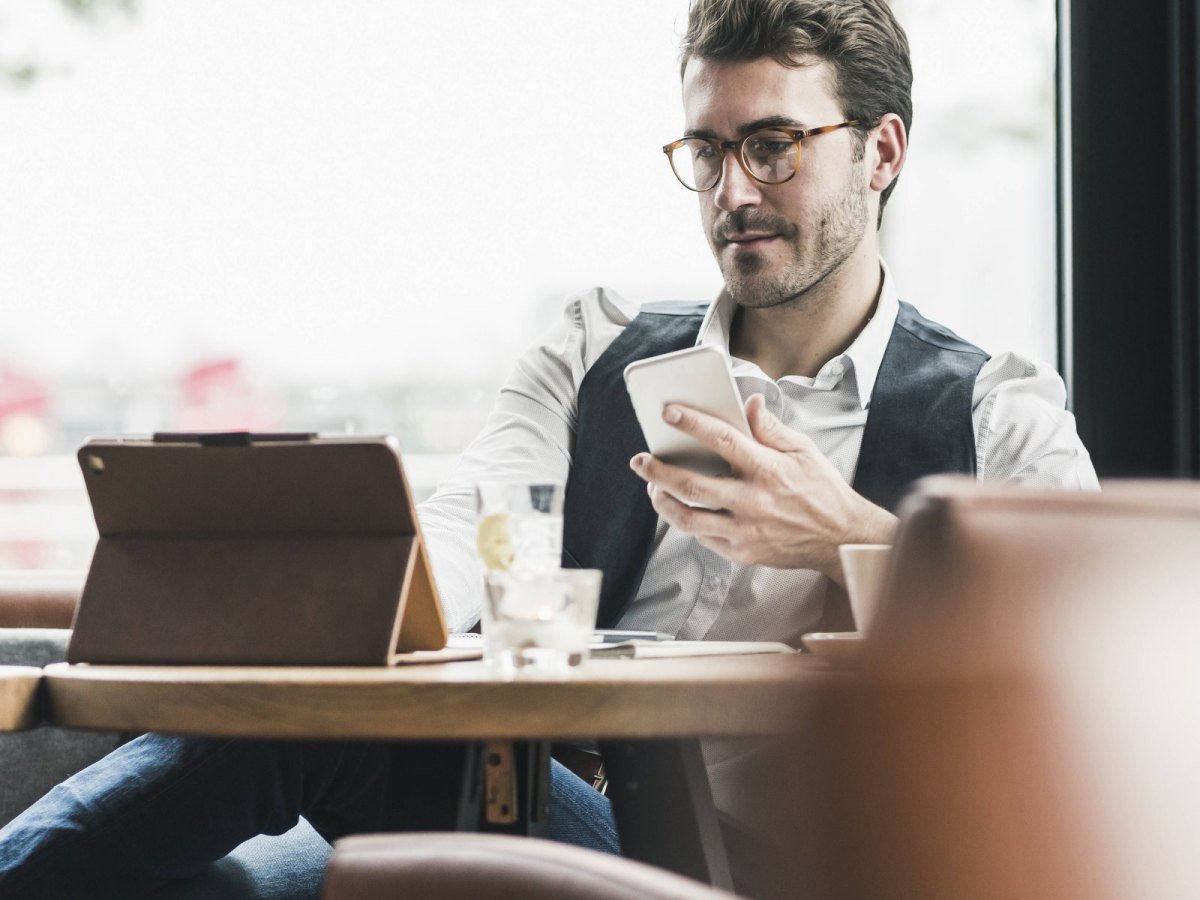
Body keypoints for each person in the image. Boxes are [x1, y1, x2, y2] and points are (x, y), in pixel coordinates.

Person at [0, 1, 1097, 897]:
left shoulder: (998, 413)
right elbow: (481, 522)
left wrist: (848, 539)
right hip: (575, 819)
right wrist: (356, 590)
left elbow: (1101, 653)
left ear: (882, 152)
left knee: (320, 739)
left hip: (808, 871)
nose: (733, 193)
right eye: (707, 150)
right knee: (209, 885)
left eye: (774, 146)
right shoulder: (595, 348)